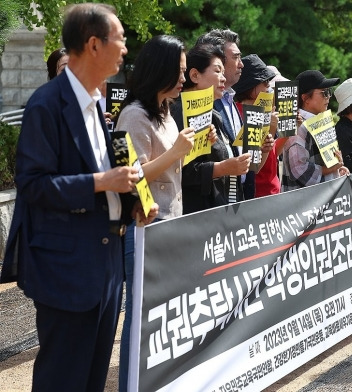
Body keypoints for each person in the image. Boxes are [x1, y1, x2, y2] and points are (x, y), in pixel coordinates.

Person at [0, 4, 159, 391]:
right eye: (119, 40)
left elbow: (107, 173)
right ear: (93, 44)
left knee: (90, 380)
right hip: (66, 269)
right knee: (62, 379)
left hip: (104, 266)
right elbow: (34, 185)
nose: (124, 50)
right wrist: (101, 182)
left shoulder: (97, 104)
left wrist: (132, 200)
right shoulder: (47, 105)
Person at [116, 34, 198, 392]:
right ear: (160, 70)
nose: (183, 79)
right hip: (145, 227)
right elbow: (131, 173)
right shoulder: (134, 115)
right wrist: (177, 150)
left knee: (167, 315)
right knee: (141, 320)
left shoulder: (166, 110)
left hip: (171, 223)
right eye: (179, 72)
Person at [173, 43, 251, 213]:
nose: (223, 78)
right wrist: (223, 168)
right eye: (217, 71)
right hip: (194, 216)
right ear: (194, 75)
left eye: (223, 72)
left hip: (220, 210)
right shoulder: (180, 111)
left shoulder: (214, 114)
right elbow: (181, 171)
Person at [196, 29, 258, 199]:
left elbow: (246, 160)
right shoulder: (199, 104)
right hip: (212, 207)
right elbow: (189, 170)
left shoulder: (230, 98)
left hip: (238, 199)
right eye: (236, 57)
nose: (241, 64)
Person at [282, 70, 348, 191]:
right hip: (303, 204)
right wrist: (330, 169)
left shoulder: (321, 121)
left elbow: (330, 163)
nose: (328, 97)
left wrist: (337, 171)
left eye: (329, 92)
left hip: (324, 198)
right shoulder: (299, 125)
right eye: (324, 93)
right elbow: (299, 170)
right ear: (305, 98)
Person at [232, 54, 279, 197]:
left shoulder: (263, 112)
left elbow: (256, 165)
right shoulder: (236, 114)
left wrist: (271, 131)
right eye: (264, 81)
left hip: (270, 190)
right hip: (252, 193)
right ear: (251, 85)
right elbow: (251, 167)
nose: (268, 86)